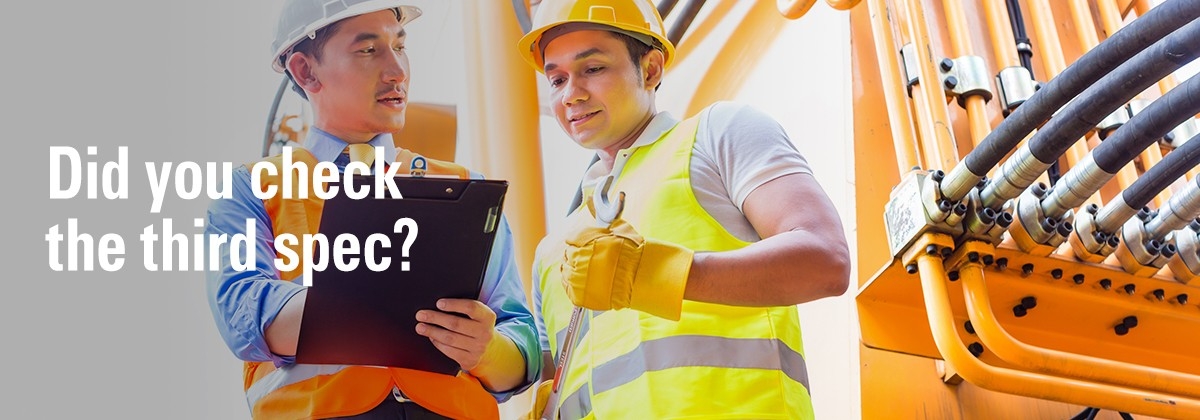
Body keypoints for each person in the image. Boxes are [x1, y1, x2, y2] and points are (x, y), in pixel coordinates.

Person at [516, 0, 851, 418]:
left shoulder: (717, 134)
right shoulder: (551, 253)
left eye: (593, 69)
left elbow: (826, 260)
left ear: (651, 69)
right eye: (557, 79)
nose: (571, 94)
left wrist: (652, 274)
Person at [205, 1, 540, 418]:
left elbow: (523, 346)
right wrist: (370, 302)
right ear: (306, 71)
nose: (397, 70)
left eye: (400, 46)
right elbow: (244, 314)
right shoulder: (253, 189)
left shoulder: (465, 188)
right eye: (368, 50)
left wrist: (486, 350)